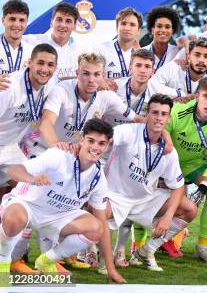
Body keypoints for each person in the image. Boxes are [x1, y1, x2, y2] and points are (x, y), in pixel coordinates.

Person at [0, 118, 125, 284]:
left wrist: (111, 270)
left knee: (97, 228)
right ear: (82, 140)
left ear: (107, 145)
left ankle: (46, 261)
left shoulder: (98, 178)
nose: (95, 147)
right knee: (15, 216)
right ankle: (3, 262)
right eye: (91, 141)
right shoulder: (59, 156)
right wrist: (31, 179)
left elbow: (102, 222)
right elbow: (14, 170)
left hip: (58, 216)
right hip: (27, 207)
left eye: (101, 143)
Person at [106, 94, 197, 272]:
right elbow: (108, 138)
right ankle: (88, 251)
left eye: (164, 114)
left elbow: (178, 187)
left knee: (189, 209)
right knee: (93, 209)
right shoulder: (129, 131)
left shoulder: (169, 151)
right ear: (147, 114)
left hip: (144, 200)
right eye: (155, 112)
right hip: (115, 196)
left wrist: (168, 216)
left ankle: (147, 251)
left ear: (169, 118)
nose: (159, 117)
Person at [0, 44, 58, 274]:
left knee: (28, 191)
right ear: (29, 63)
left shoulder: (50, 84)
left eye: (50, 65)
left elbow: (73, 79)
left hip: (10, 148)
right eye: (40, 63)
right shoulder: (9, 86)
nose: (45, 69)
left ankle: (14, 258)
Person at [24, 52, 144, 158]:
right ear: (77, 73)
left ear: (103, 76)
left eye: (97, 74)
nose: (91, 80)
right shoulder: (62, 90)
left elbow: (138, 119)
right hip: (40, 147)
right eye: (86, 74)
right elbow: (46, 123)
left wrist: (163, 132)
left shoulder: (107, 97)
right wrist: (57, 146)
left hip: (69, 152)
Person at [165, 77, 207, 264]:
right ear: (197, 96)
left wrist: (203, 187)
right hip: (170, 164)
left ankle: (203, 246)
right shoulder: (178, 111)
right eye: (205, 96)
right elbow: (161, 138)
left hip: (195, 165)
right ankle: (141, 242)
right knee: (153, 195)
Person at [22, 2, 82, 80]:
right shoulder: (32, 41)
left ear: (74, 26)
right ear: (51, 23)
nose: (63, 25)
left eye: (68, 21)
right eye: (59, 20)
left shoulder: (78, 52)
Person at [95, 7, 142, 81]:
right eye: (123, 23)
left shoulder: (142, 55)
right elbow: (91, 77)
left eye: (132, 25)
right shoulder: (101, 49)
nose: (127, 28)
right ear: (117, 28)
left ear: (139, 31)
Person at [142, 6, 181, 70]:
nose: (163, 30)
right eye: (159, 26)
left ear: (172, 31)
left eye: (167, 27)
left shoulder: (177, 53)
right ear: (152, 30)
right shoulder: (141, 52)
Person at [0, 0, 33, 75]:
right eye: (12, 19)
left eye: (22, 20)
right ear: (3, 20)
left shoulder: (32, 52)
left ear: (27, 22)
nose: (17, 24)